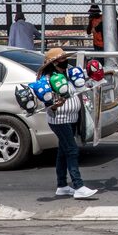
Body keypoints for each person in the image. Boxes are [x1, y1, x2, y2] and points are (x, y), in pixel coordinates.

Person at [38, 47, 97, 200]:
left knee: (63, 153)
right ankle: (78, 186)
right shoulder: (48, 79)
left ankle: (62, 186)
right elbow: (46, 102)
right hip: (59, 120)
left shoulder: (68, 74)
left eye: (65, 58)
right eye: (61, 59)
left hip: (71, 118)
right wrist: (55, 105)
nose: (65, 61)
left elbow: (80, 87)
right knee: (72, 150)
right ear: (53, 63)